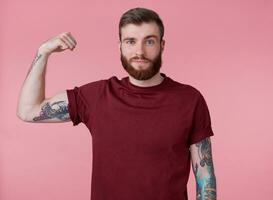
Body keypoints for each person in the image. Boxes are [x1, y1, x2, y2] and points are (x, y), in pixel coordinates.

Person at [17, 7, 216, 200]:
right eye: (130, 41)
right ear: (120, 46)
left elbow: (204, 178)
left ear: (162, 45)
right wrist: (43, 52)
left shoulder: (190, 100)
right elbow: (28, 110)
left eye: (149, 41)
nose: (139, 51)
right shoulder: (96, 97)